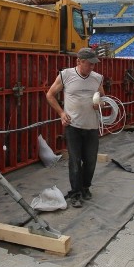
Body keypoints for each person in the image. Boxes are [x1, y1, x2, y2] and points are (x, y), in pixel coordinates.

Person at [45, 47, 105, 208]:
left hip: (92, 126)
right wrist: (61, 113)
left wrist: (99, 104)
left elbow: (103, 98)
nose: (92, 67)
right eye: (89, 63)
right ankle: (76, 192)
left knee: (91, 161)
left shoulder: (97, 78)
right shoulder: (66, 75)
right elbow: (50, 95)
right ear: (79, 61)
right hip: (73, 127)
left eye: (94, 64)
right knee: (75, 161)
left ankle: (85, 188)